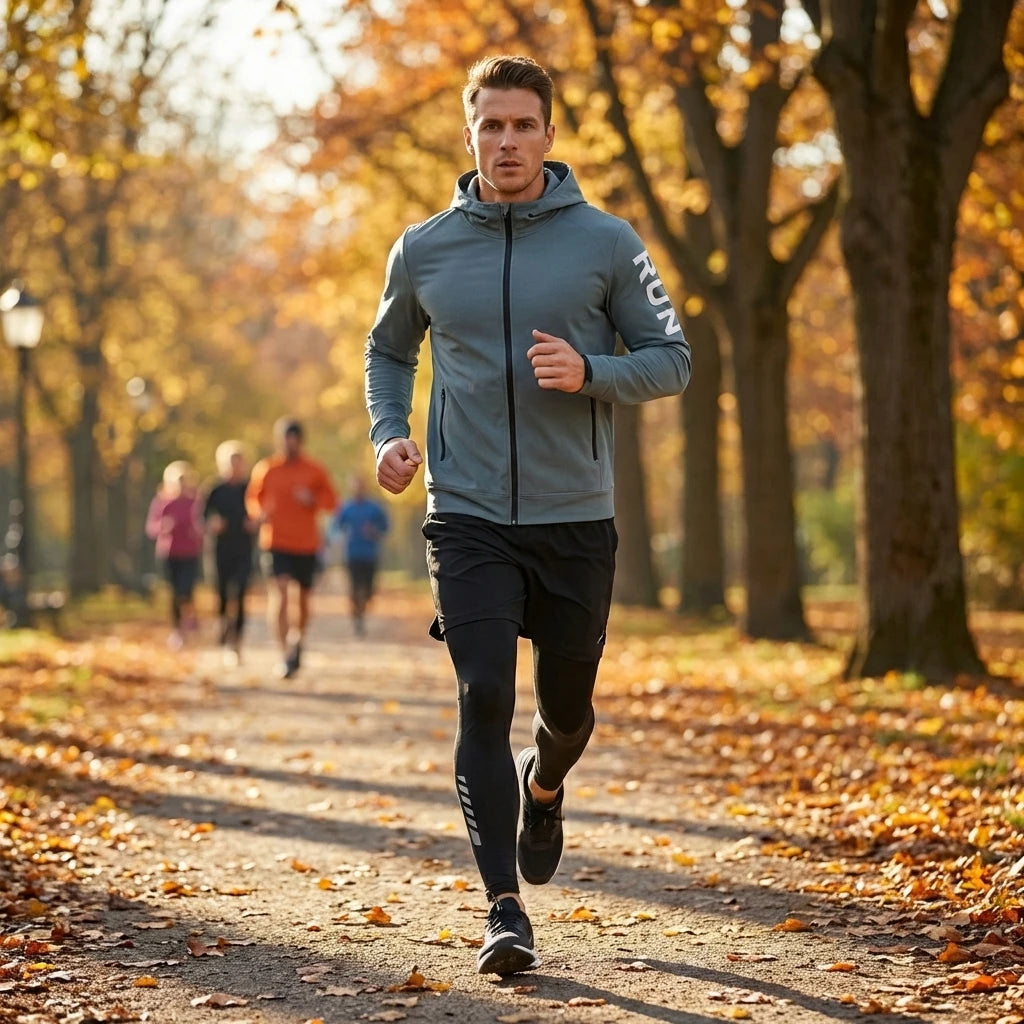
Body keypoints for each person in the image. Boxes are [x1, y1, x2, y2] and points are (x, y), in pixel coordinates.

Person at [365, 55, 691, 976]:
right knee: (482, 695)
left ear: (549, 135)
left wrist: (592, 373)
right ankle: (504, 909)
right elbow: (387, 351)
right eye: (491, 126)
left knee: (566, 711)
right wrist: (389, 433)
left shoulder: (608, 242)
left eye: (522, 125)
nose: (506, 141)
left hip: (573, 515)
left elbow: (673, 359)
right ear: (469, 135)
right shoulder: (423, 248)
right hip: (466, 511)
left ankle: (545, 786)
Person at [246, 418, 337, 678]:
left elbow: (332, 501)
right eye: (286, 440)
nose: (290, 445)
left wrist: (313, 499)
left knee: (303, 600)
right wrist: (259, 513)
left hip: (306, 543)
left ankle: (298, 639)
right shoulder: (267, 469)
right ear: (279, 441)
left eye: (294, 441)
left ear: (301, 441)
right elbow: (253, 498)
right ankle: (284, 654)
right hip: (275, 541)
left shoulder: (314, 470)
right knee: (281, 593)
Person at [204, 440, 257, 667]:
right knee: (223, 594)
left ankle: (237, 642)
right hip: (220, 549)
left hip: (244, 548)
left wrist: (255, 522)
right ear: (222, 464)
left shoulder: (250, 488)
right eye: (231, 462)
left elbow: (260, 511)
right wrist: (212, 523)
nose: (235, 466)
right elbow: (203, 516)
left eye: (238, 461)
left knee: (242, 593)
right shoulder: (214, 489)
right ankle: (224, 632)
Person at [146, 461, 204, 651]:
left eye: (183, 480)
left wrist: (199, 532)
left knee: (186, 590)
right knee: (174, 592)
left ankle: (190, 618)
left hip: (190, 552)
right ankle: (178, 631)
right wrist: (163, 526)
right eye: (177, 481)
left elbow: (202, 526)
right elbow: (151, 528)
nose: (180, 485)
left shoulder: (195, 502)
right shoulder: (162, 502)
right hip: (169, 553)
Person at [331, 477, 390, 636]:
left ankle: (362, 610)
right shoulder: (346, 508)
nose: (358, 490)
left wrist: (375, 531)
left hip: (370, 554)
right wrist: (340, 539)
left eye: (360, 487)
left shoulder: (374, 508)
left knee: (368, 591)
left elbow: (385, 527)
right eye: (355, 487)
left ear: (365, 488)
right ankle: (357, 618)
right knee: (355, 589)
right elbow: (335, 527)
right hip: (352, 555)